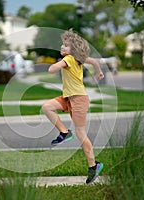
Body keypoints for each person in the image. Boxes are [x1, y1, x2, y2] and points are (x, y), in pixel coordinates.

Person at [41, 29, 104, 184]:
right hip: (68, 97)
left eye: (67, 46)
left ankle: (93, 165)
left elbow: (51, 69)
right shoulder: (78, 58)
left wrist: (56, 64)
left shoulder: (69, 59)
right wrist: (99, 73)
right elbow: (95, 62)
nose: (63, 47)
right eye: (63, 44)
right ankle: (64, 132)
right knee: (47, 107)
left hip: (79, 99)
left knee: (81, 133)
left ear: (73, 50)